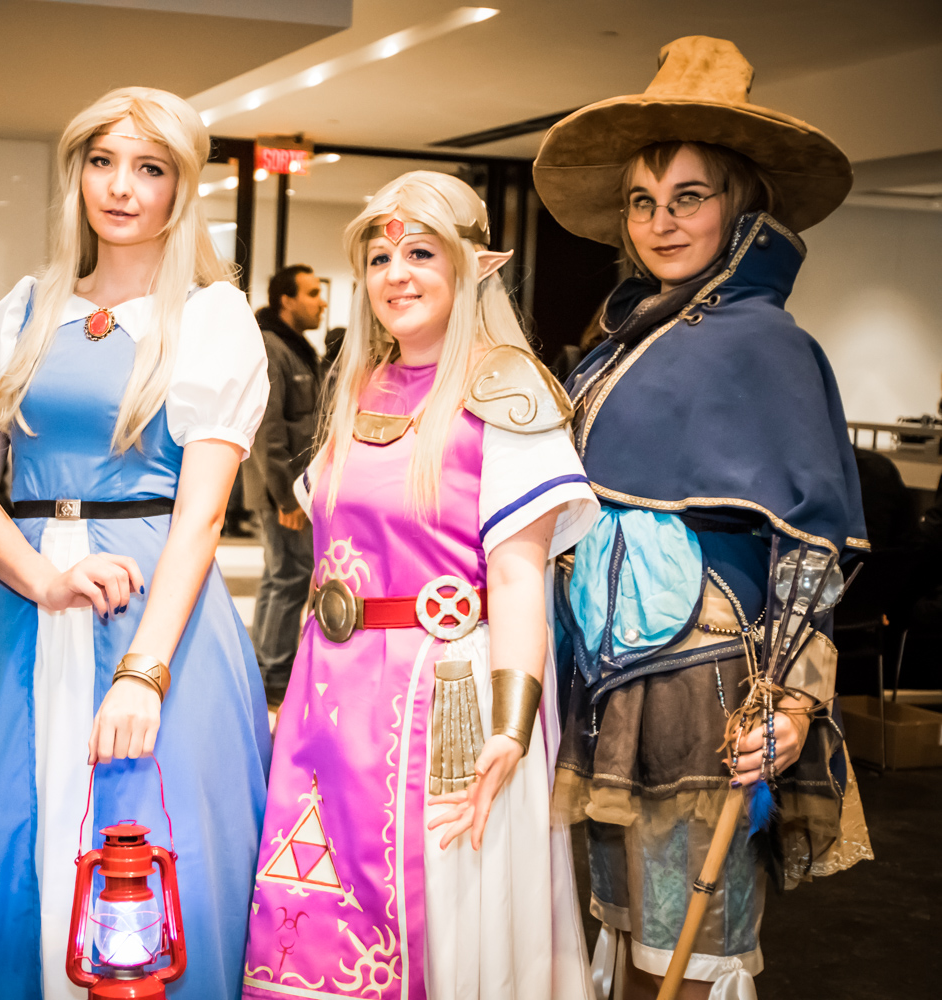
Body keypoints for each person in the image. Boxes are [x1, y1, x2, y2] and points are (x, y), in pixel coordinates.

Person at [533, 36, 873, 999]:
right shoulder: (620, 335)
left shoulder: (768, 343)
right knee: (620, 936)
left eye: (689, 196)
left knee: (687, 951)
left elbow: (811, 548)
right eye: (644, 201)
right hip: (601, 682)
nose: (662, 222)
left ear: (741, 207)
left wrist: (793, 704)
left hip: (705, 685)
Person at [0, 87, 271, 1000]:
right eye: (102, 162)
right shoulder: (22, 310)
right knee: (16, 827)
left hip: (157, 613)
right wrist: (44, 580)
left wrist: (144, 672)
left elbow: (203, 517)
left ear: (181, 186)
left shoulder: (210, 317)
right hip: (29, 609)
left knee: (153, 840)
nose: (121, 187)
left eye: (149, 168)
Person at [242, 171, 598, 999]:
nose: (395, 274)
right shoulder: (360, 385)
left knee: (444, 913)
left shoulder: (506, 393)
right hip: (332, 695)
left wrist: (510, 729)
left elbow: (518, 579)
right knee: (316, 905)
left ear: (473, 266)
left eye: (421, 254)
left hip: (448, 704)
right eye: (379, 258)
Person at [244, 264, 324, 707]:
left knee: (285, 575)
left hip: (297, 490)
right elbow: (267, 431)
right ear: (286, 300)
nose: (321, 301)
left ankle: (268, 667)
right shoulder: (271, 348)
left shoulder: (296, 348)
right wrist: (285, 497)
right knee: (287, 575)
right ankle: (271, 674)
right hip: (284, 492)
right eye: (311, 293)